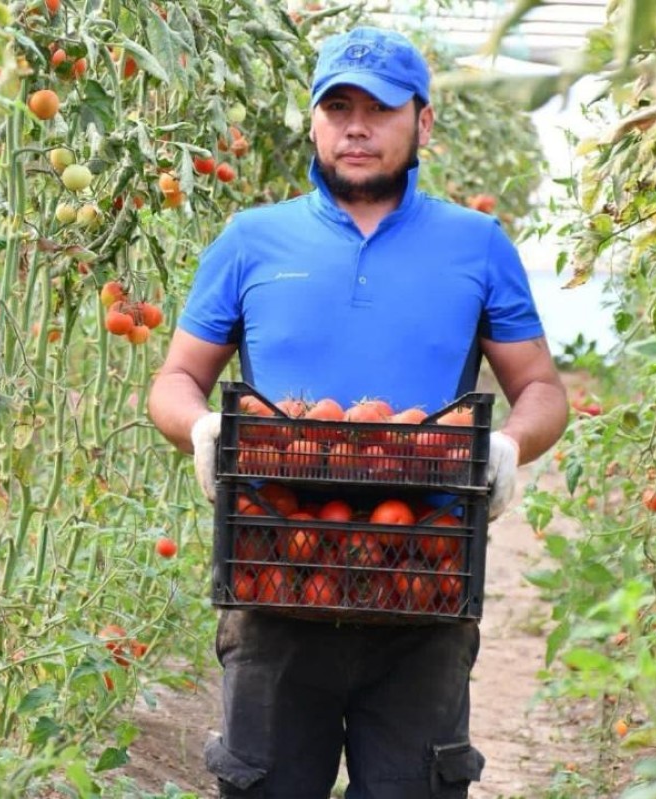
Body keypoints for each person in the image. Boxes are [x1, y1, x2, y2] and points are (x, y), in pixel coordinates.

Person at [146, 25, 569, 799]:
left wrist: (510, 444)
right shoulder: (250, 240)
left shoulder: (476, 244)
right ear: (313, 120)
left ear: (423, 122)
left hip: (426, 584)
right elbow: (177, 376)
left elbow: (540, 385)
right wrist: (201, 424)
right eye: (337, 106)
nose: (356, 126)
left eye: (379, 108)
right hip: (275, 577)